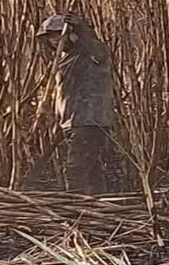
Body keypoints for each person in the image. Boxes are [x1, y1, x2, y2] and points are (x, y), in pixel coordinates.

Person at [37, 14, 116, 194]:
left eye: (58, 34)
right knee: (91, 170)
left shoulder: (88, 53)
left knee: (75, 171)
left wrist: (84, 32)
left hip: (89, 120)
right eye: (50, 37)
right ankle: (99, 207)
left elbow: (99, 52)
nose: (55, 40)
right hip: (72, 121)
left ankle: (78, 210)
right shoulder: (63, 60)